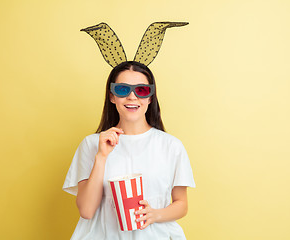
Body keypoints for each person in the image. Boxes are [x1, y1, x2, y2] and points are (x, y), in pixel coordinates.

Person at [63, 61, 195, 239]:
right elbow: (86, 211)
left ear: (150, 97)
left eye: (141, 90)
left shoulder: (171, 146)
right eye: (123, 90)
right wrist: (101, 157)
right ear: (112, 96)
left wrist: (155, 214)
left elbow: (181, 204)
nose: (132, 97)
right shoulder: (91, 144)